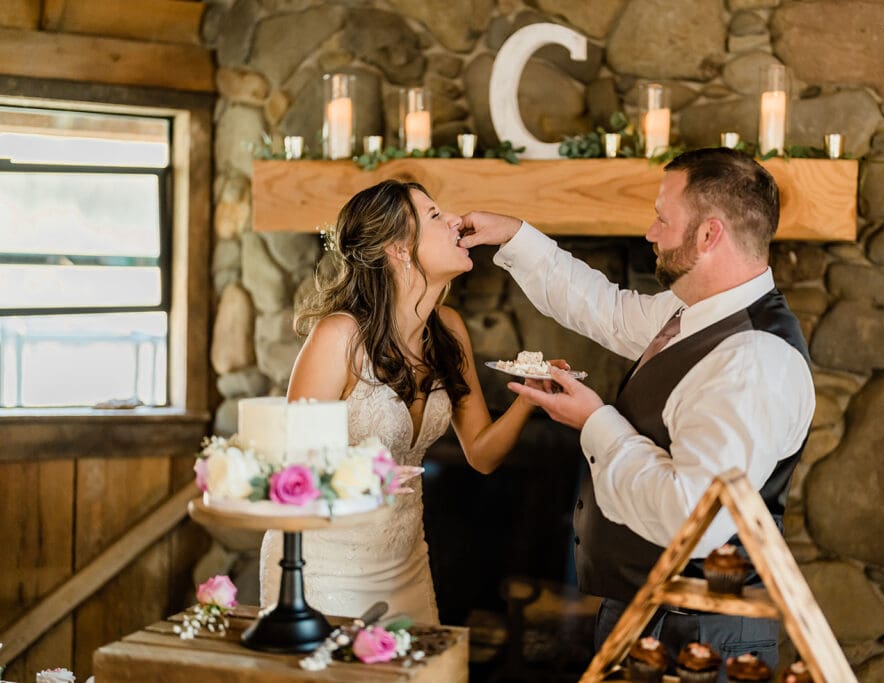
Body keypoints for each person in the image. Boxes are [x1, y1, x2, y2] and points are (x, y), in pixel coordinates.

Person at [458, 147, 815, 672]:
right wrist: (514, 235)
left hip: (700, 632)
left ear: (709, 234)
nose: (650, 232)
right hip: (653, 614)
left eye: (662, 218)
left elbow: (691, 517)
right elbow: (603, 310)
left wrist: (594, 422)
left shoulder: (753, 360)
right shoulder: (691, 314)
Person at [259, 179, 539, 624]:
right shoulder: (339, 337)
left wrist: (530, 398)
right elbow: (288, 476)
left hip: (407, 561)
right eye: (433, 216)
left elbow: (483, 455)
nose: (454, 220)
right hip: (323, 566)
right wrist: (367, 479)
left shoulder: (448, 329)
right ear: (399, 249)